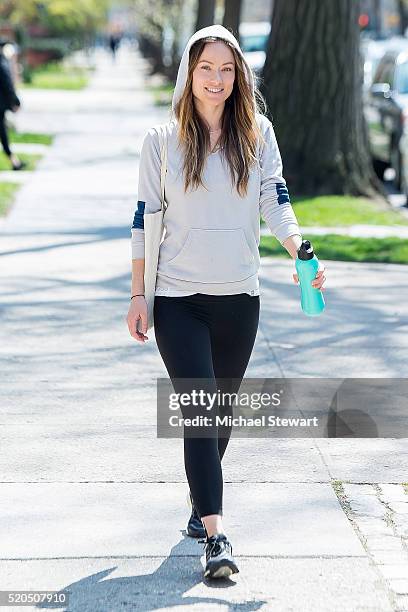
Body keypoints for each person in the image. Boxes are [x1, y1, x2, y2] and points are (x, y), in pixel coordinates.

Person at [127, 24, 327, 579]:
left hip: (239, 296)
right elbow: (142, 225)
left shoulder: (258, 133)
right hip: (177, 300)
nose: (216, 80)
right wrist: (139, 294)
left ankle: (199, 502)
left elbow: (276, 200)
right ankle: (216, 537)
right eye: (206, 69)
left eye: (227, 69)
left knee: (221, 414)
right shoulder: (161, 140)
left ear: (239, 75)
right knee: (200, 411)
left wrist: (300, 248)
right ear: (189, 75)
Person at [0, 42, 26, 171]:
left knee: (3, 133)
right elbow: (7, 85)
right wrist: (15, 101)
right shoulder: (2, 63)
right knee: (3, 133)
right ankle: (14, 162)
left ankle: (14, 161)